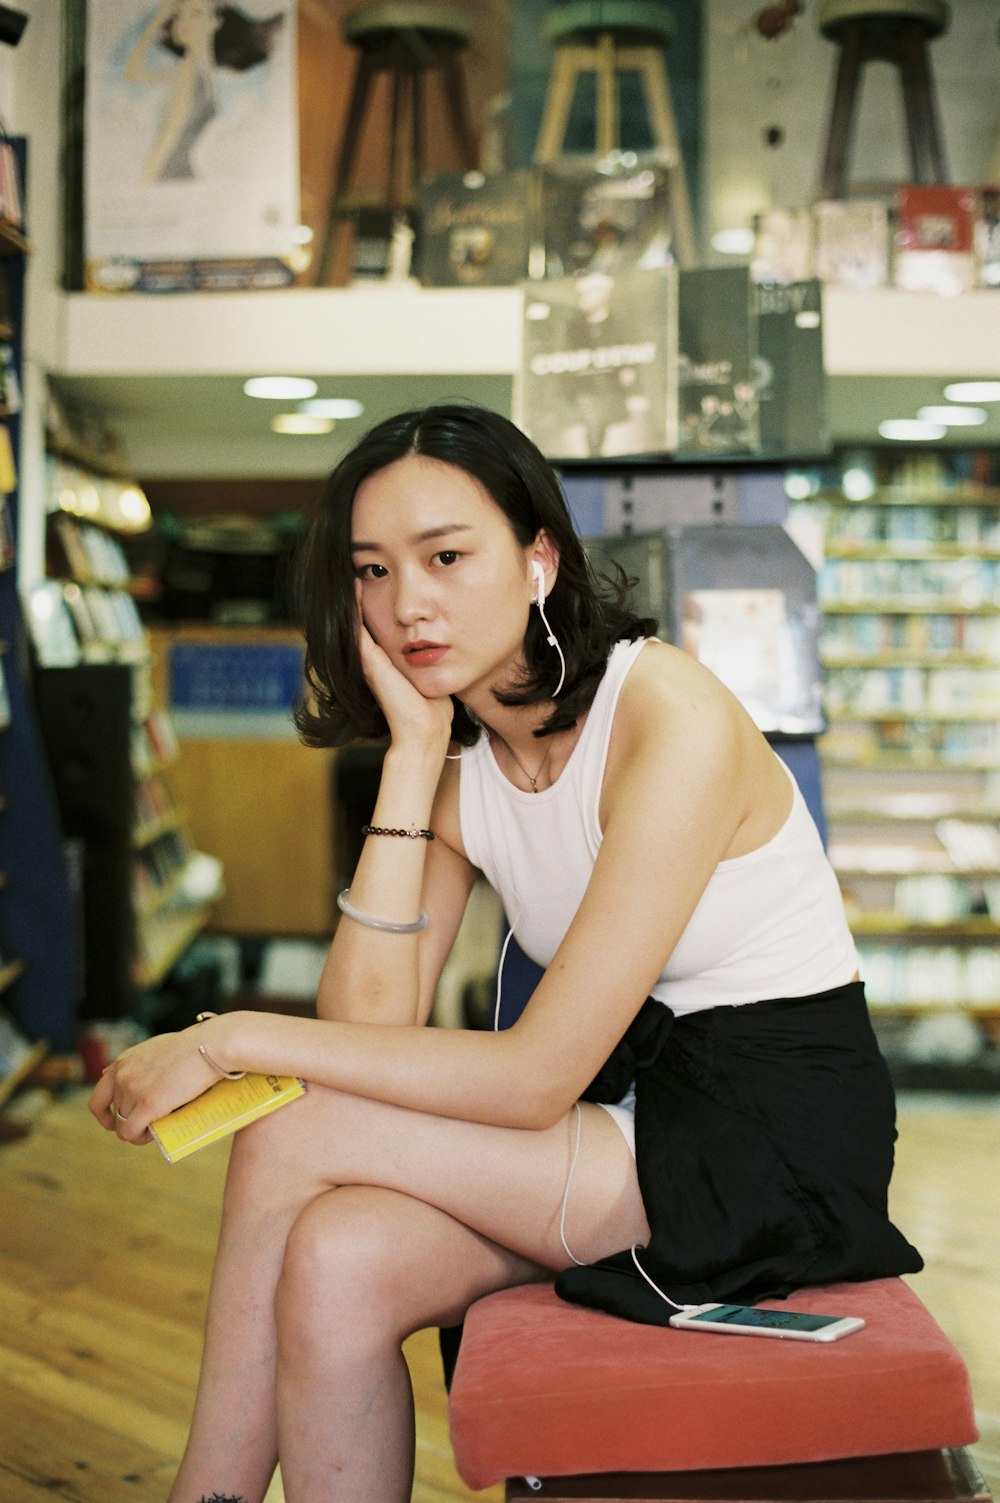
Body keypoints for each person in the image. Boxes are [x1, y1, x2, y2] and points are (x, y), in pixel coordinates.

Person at [90, 405, 921, 1503]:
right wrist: (414, 756)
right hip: (616, 1141)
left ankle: (211, 1492)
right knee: (337, 1260)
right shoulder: (463, 760)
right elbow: (367, 1031)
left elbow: (531, 1080)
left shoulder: (663, 713)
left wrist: (224, 1036)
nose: (407, 604)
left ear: (538, 555)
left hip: (763, 1144)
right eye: (373, 571)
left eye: (445, 556)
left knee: (290, 1127)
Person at [124, 0, 284, 184]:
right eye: (180, 16)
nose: (184, 22)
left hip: (168, 173)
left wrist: (146, 181)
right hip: (177, 173)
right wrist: (157, 20)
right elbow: (132, 74)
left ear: (215, 22)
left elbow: (169, 135)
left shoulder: (194, 70)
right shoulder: (197, 70)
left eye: (196, 13)